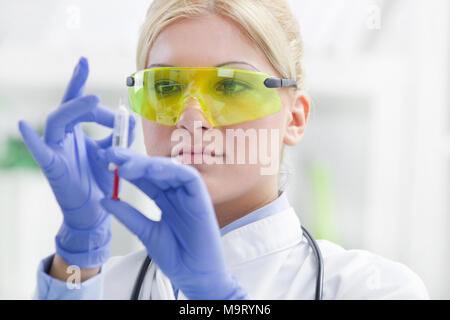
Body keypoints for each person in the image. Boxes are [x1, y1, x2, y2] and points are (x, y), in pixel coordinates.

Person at [19, 0, 429, 300]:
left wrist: (216, 300)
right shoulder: (96, 285)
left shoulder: (374, 289)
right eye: (166, 87)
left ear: (295, 118)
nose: (191, 118)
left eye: (231, 86)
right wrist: (80, 247)